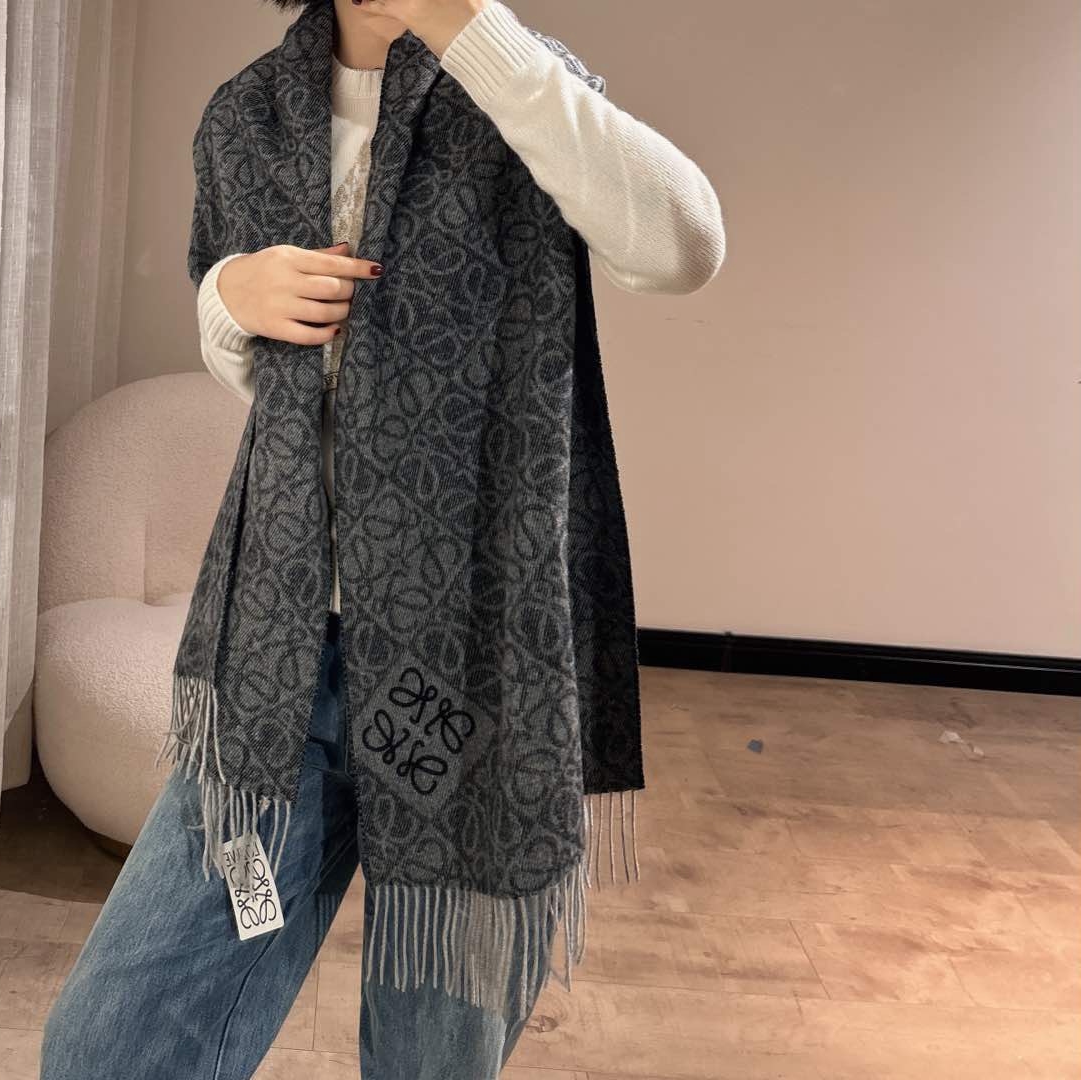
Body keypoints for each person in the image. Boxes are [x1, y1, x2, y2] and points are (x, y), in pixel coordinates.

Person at [40, 1, 724, 1077]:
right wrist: (227, 298)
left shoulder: (520, 88)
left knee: (431, 1053)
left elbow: (681, 247)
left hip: (466, 668)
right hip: (278, 654)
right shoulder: (249, 117)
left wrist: (465, 25)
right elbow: (274, 390)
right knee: (110, 1047)